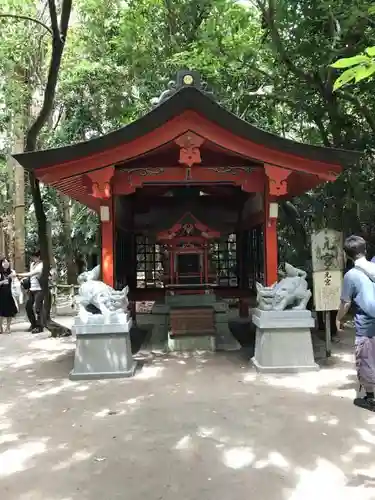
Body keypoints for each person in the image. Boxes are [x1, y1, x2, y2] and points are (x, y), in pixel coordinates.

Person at [336, 235, 375, 411]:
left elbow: (346, 303)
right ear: (365, 250)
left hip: (366, 325)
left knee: (366, 359)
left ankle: (371, 399)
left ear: (348, 255)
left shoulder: (351, 275)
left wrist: (338, 318)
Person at [18, 250, 44, 334]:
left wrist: (18, 274)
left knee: (38, 308)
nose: (32, 258)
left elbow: (31, 274)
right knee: (28, 307)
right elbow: (30, 277)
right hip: (32, 289)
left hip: (39, 289)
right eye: (32, 257)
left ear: (39, 257)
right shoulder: (32, 264)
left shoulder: (41, 265)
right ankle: (33, 324)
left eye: (34, 257)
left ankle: (40, 326)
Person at [0, 258, 18, 334]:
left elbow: (16, 279)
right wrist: (2, 282)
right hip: (1, 295)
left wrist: (13, 276)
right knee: (0, 312)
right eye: (4, 262)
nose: (6, 263)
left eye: (7, 262)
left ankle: (8, 327)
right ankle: (0, 327)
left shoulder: (11, 272)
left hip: (9, 294)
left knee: (9, 312)